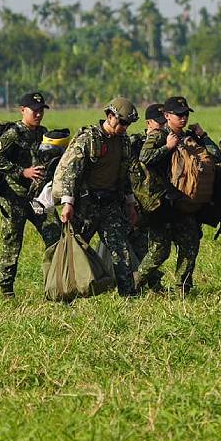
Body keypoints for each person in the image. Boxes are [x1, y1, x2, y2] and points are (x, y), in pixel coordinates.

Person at [52, 97, 140, 297]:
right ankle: (67, 292)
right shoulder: (89, 139)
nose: (125, 127)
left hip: (110, 204)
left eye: (128, 124)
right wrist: (68, 203)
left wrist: (130, 204)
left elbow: (125, 176)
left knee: (120, 250)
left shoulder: (124, 142)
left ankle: (129, 295)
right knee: (76, 248)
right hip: (86, 204)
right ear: (110, 117)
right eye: (123, 122)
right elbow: (71, 172)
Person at [134, 96, 221, 294]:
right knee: (160, 251)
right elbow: (144, 157)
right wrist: (167, 147)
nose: (183, 118)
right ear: (166, 116)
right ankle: (133, 284)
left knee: (190, 243)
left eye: (186, 114)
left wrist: (204, 135)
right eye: (179, 115)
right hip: (163, 202)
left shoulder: (190, 136)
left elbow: (216, 156)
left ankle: (182, 288)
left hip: (184, 202)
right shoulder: (158, 135)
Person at [0, 91, 62, 298]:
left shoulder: (43, 133)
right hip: (14, 197)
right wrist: (22, 172)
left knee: (55, 237)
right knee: (12, 244)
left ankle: (55, 286)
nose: (38, 115)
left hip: (38, 198)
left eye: (41, 111)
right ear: (23, 110)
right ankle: (6, 290)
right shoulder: (13, 133)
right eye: (34, 111)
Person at [127, 103, 166, 262]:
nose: (162, 126)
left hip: (157, 201)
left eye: (165, 122)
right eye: (159, 123)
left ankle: (150, 281)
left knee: (156, 245)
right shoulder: (135, 142)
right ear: (148, 123)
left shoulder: (167, 141)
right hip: (137, 200)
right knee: (136, 241)